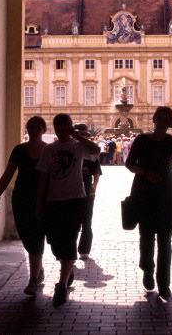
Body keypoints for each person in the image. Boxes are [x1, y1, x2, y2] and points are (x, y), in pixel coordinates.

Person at [124, 106, 172, 301]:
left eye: (166, 119)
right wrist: (146, 173)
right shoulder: (142, 140)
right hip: (144, 192)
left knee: (165, 241)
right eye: (159, 118)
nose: (162, 122)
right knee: (146, 238)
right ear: (153, 119)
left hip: (166, 194)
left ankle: (164, 284)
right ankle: (147, 269)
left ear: (169, 122)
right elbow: (129, 164)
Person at [35, 113, 101, 307]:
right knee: (55, 242)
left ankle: (62, 285)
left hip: (76, 199)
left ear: (70, 128)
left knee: (70, 238)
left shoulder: (78, 146)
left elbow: (96, 150)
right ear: (54, 129)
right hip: (53, 201)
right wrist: (39, 202)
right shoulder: (49, 149)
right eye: (59, 129)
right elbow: (43, 178)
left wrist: (77, 135)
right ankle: (67, 264)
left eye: (66, 129)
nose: (63, 132)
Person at [0, 116, 48, 296]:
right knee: (26, 234)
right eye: (31, 126)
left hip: (43, 198)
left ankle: (33, 279)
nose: (34, 129)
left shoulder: (48, 150)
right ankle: (38, 268)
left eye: (38, 127)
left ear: (43, 129)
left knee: (36, 235)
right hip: (21, 197)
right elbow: (8, 173)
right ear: (27, 129)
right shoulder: (19, 149)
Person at [74, 124, 103, 260]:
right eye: (80, 134)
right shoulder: (71, 149)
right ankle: (70, 250)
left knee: (86, 220)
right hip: (71, 187)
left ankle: (84, 249)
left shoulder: (91, 153)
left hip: (86, 186)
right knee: (71, 220)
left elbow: (96, 172)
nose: (83, 137)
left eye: (85, 135)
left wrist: (94, 187)